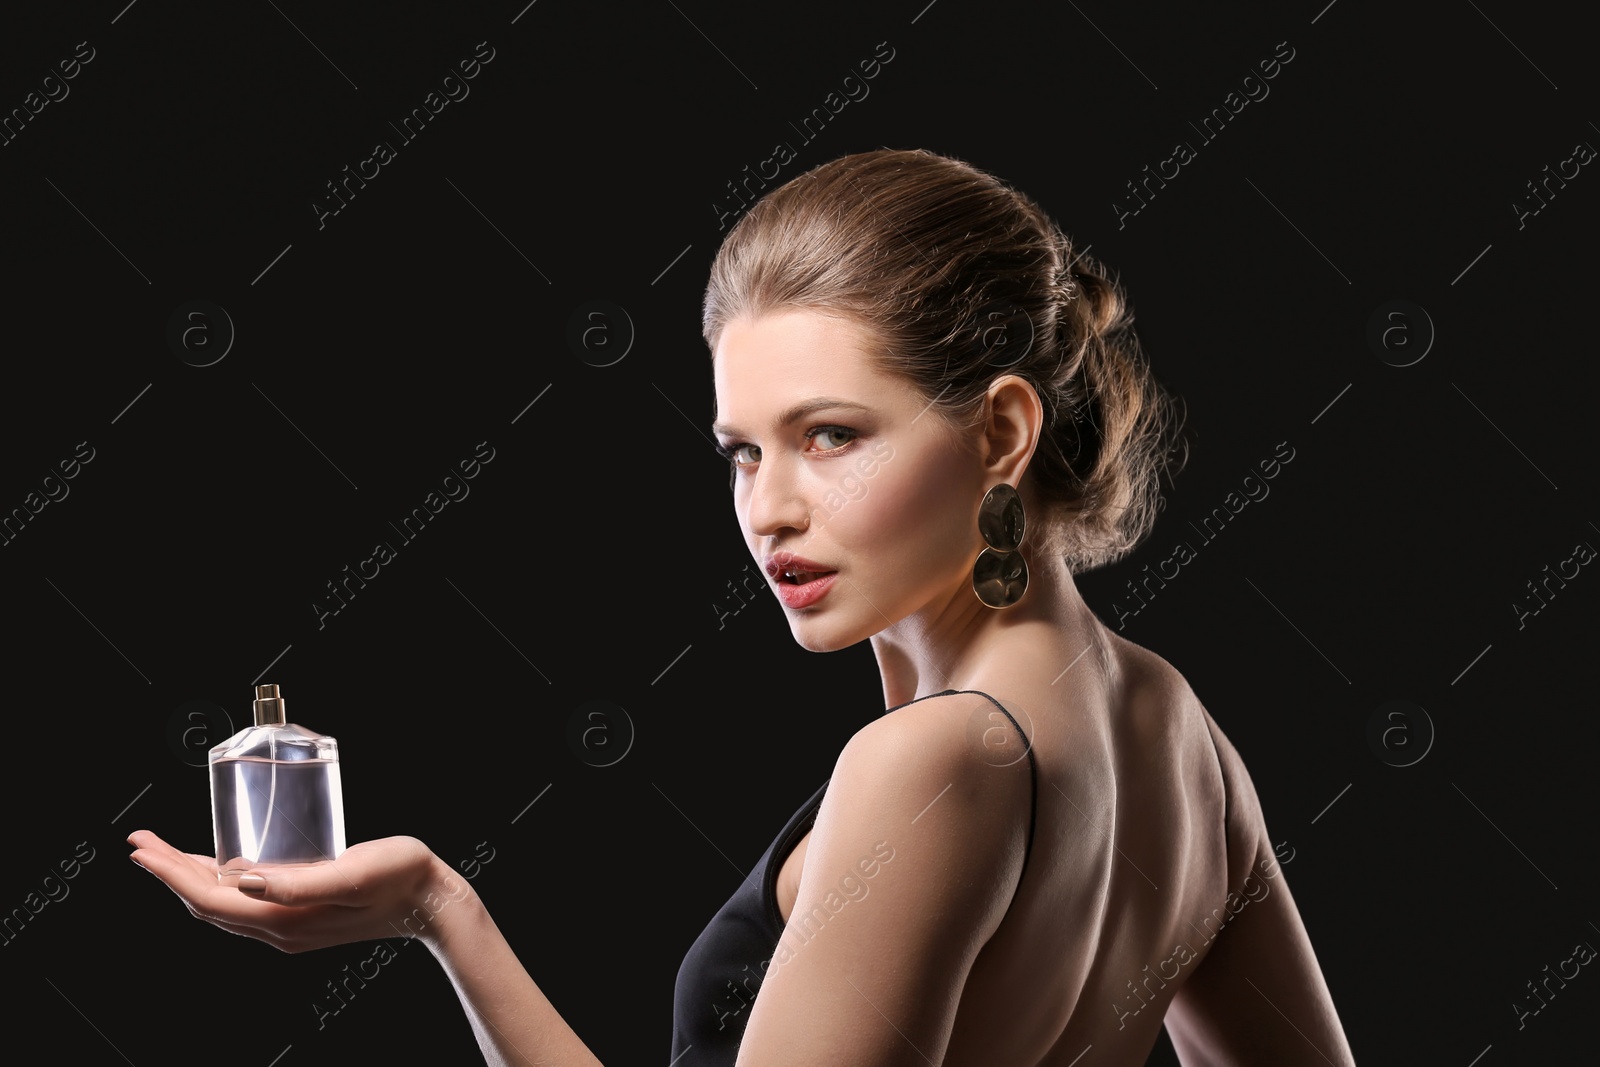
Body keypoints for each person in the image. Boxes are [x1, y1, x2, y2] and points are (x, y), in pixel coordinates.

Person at [128, 147, 1357, 1066]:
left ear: (1001, 429)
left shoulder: (934, 759)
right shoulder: (1174, 725)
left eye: (830, 436)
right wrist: (439, 910)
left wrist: (435, 913)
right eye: (739, 453)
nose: (767, 510)